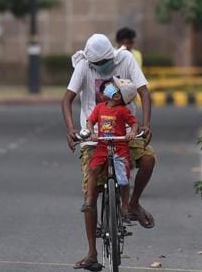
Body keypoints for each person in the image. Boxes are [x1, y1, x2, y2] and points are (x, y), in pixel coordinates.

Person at [62, 33, 156, 270]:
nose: (104, 67)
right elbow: (67, 100)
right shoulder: (83, 66)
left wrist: (144, 125)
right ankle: (92, 253)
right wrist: (72, 129)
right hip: (95, 138)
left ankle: (132, 204)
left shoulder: (125, 59)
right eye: (100, 65)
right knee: (90, 192)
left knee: (147, 160)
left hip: (125, 133)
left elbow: (144, 92)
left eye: (107, 62)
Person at [81, 77, 139, 219]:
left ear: (118, 96)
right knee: (93, 169)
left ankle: (124, 205)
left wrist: (132, 132)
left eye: (114, 87)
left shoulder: (123, 111)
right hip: (102, 146)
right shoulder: (99, 107)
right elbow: (90, 122)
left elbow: (134, 123)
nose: (109, 87)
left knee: (124, 180)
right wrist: (92, 133)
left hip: (120, 147)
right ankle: (89, 199)